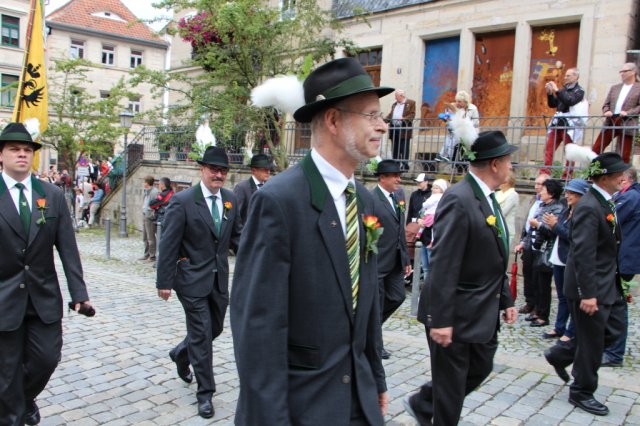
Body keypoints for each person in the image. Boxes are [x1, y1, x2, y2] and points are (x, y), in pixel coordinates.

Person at [231, 57, 393, 425]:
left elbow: (368, 304)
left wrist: (375, 378)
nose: (382, 125)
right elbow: (258, 325)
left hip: (359, 400)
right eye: (371, 115)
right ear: (333, 120)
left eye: (381, 115)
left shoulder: (365, 202)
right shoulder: (278, 201)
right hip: (304, 405)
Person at [404, 130, 518, 426]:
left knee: (481, 366)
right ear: (495, 164)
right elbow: (444, 263)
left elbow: (494, 254)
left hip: (479, 309)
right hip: (455, 310)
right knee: (451, 386)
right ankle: (432, 408)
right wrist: (441, 319)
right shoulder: (459, 198)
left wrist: (505, 299)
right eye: (508, 160)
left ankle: (424, 401)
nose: (511, 166)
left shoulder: (487, 197)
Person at [0, 122, 93, 425]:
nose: (22, 154)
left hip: (43, 297)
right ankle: (13, 415)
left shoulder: (51, 195)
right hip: (4, 300)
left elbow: (68, 248)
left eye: (27, 150)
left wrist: (79, 294)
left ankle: (24, 399)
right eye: (14, 149)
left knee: (47, 359)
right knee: (7, 371)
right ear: (1, 155)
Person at [156, 146, 241, 419]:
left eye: (223, 171)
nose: (219, 175)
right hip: (191, 280)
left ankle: (182, 353)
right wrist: (164, 281)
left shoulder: (230, 200)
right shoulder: (183, 201)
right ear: (202, 169)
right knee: (202, 335)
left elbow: (237, 237)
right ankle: (205, 393)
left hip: (219, 280)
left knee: (213, 329)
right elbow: (168, 243)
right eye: (214, 169)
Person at [543, 152, 628, 416]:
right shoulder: (589, 207)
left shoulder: (604, 202)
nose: (623, 178)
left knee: (614, 330)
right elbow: (583, 252)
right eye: (618, 174)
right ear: (604, 178)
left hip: (607, 282)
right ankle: (581, 391)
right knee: (592, 342)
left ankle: (562, 354)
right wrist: (588, 293)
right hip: (590, 286)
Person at [541, 178, 590, 341]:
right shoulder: (566, 211)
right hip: (559, 256)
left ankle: (571, 331)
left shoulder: (583, 214)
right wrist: (550, 225)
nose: (567, 196)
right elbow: (558, 231)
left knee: (572, 297)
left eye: (571, 193)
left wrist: (555, 226)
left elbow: (573, 236)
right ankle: (559, 327)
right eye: (567, 192)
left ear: (581, 195)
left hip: (570, 258)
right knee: (562, 296)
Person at [371, 159, 411, 359]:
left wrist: (406, 258)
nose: (398, 180)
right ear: (382, 178)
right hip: (378, 262)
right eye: (395, 176)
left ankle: (370, 327)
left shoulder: (399, 196)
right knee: (377, 305)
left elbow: (400, 230)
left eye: (399, 176)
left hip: (395, 260)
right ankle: (375, 346)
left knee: (398, 297)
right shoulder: (371, 199)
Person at [602, 167, 640, 367]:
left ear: (625, 179)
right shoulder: (627, 195)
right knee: (613, 303)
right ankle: (609, 347)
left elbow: (611, 219)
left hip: (624, 259)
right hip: (622, 257)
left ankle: (614, 353)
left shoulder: (631, 197)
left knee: (616, 306)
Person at [526, 179, 564, 328]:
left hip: (546, 250)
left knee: (543, 285)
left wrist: (538, 225)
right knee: (535, 282)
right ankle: (537, 310)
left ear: (551, 193)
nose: (540, 192)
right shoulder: (542, 205)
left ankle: (543, 315)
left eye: (543, 189)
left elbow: (552, 230)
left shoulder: (558, 208)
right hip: (536, 247)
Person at [514, 173, 549, 315]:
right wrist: (522, 242)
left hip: (540, 245)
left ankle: (538, 306)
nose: (536, 187)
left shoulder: (552, 204)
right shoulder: (534, 200)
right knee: (527, 274)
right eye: (535, 183)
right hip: (528, 242)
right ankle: (530, 302)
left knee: (538, 278)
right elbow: (526, 224)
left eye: (540, 184)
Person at [592, 63, 640, 164]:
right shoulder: (615, 88)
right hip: (612, 120)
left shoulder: (638, 87)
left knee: (624, 153)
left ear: (633, 72)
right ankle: (592, 171)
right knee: (596, 148)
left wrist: (628, 112)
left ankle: (622, 173)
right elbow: (606, 104)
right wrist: (607, 111)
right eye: (621, 71)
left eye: (624, 71)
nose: (622, 74)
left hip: (627, 122)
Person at [541, 67, 585, 177]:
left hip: (569, 125)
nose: (565, 77)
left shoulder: (579, 91)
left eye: (568, 76)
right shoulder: (563, 89)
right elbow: (553, 104)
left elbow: (569, 101)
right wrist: (550, 93)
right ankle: (545, 173)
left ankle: (567, 175)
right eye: (565, 75)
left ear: (576, 77)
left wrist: (557, 90)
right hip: (557, 123)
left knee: (570, 151)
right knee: (549, 148)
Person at [416, 179, 448, 282]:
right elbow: (421, 212)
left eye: (436, 188)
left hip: (434, 237)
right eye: (433, 187)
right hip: (424, 236)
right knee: (425, 267)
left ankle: (430, 288)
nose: (433, 189)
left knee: (432, 267)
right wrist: (419, 219)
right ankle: (426, 287)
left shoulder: (443, 200)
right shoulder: (431, 197)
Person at [437, 91, 480, 162]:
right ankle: (442, 155)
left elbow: (475, 123)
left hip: (469, 132)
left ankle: (447, 155)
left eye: (459, 101)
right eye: (456, 101)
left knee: (455, 136)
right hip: (457, 130)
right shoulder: (454, 107)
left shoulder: (473, 108)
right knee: (451, 136)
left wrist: (464, 124)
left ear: (465, 101)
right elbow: (450, 120)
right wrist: (447, 119)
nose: (457, 103)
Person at [233, 153, 272, 226]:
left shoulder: (270, 186)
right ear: (254, 170)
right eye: (264, 169)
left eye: (269, 169)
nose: (268, 172)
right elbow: (236, 215)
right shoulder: (242, 188)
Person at [386, 89, 416, 170]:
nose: (395, 98)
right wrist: (383, 121)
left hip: (404, 129)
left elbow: (412, 115)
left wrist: (404, 118)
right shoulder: (394, 104)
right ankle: (396, 165)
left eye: (396, 96)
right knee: (395, 148)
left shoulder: (411, 103)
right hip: (394, 128)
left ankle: (405, 165)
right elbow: (390, 115)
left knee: (404, 147)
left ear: (401, 96)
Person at [495, 171, 519, 249]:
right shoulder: (496, 193)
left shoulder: (513, 195)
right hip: (495, 229)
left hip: (506, 230)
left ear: (508, 182)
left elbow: (503, 212)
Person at [140, 175, 158, 262]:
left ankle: (152, 255)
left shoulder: (154, 192)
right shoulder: (146, 191)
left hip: (150, 216)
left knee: (150, 237)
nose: (144, 183)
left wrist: (151, 213)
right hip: (145, 214)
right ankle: (146, 254)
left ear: (147, 183)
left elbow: (155, 204)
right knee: (145, 237)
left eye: (145, 182)